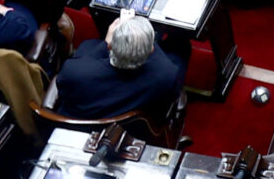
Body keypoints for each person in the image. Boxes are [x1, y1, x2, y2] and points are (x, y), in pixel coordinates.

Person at [55, 10, 186, 121]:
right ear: (151, 50)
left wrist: (105, 42)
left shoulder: (73, 72)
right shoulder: (166, 76)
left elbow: (63, 90)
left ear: (110, 46)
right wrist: (145, 39)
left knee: (90, 44)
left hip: (81, 127)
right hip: (129, 131)